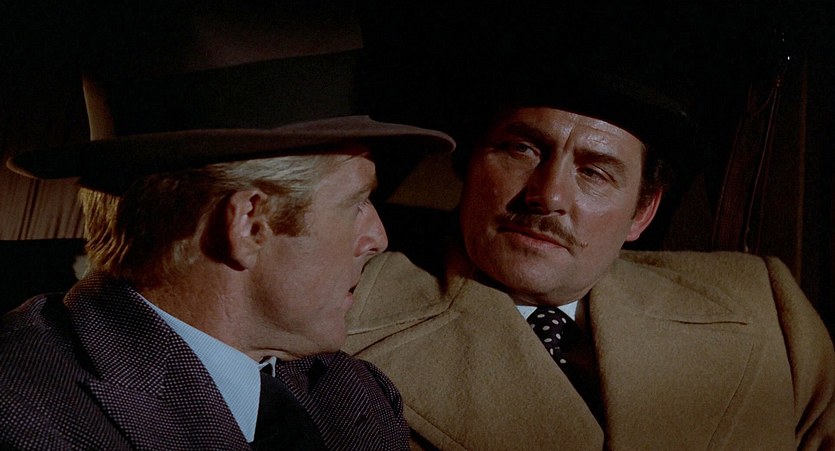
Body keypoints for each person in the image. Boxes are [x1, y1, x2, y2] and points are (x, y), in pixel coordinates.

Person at [342, 24, 835, 451]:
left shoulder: (765, 309)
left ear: (642, 212)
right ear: (468, 163)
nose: (548, 195)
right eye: (521, 149)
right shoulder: (338, 318)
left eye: (595, 172)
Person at [0, 2, 454, 450]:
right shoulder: (22, 415)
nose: (378, 238)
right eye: (356, 203)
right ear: (249, 226)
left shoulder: (354, 393)